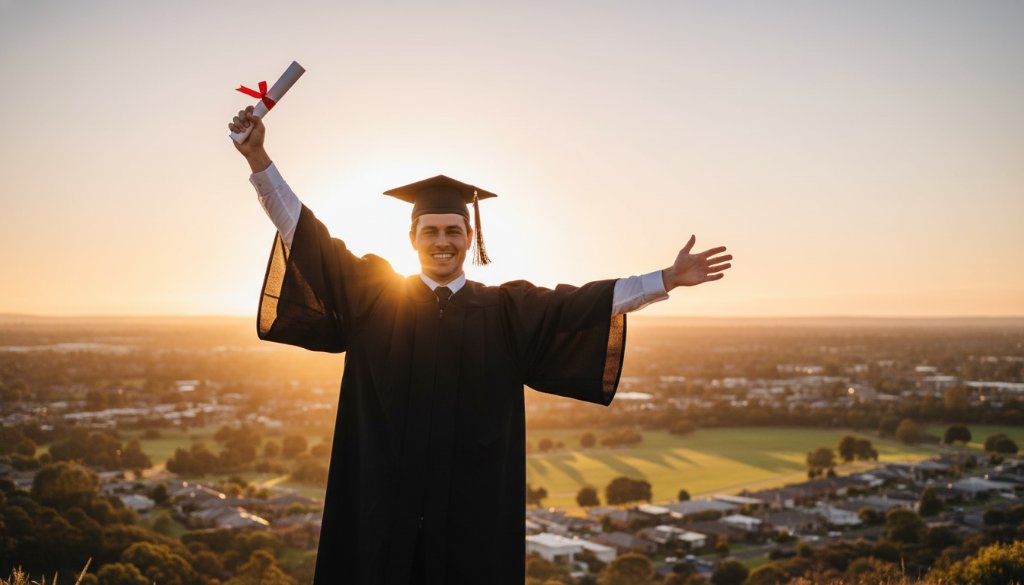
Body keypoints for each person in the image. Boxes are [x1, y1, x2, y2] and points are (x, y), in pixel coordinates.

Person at [228, 106, 732, 585]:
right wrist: (258, 160)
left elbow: (587, 303)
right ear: (412, 237)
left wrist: (665, 279)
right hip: (380, 503)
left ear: (470, 238)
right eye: (430, 231)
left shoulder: (506, 310)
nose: (441, 241)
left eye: (452, 230)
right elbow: (306, 235)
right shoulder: (374, 297)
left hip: (471, 513)